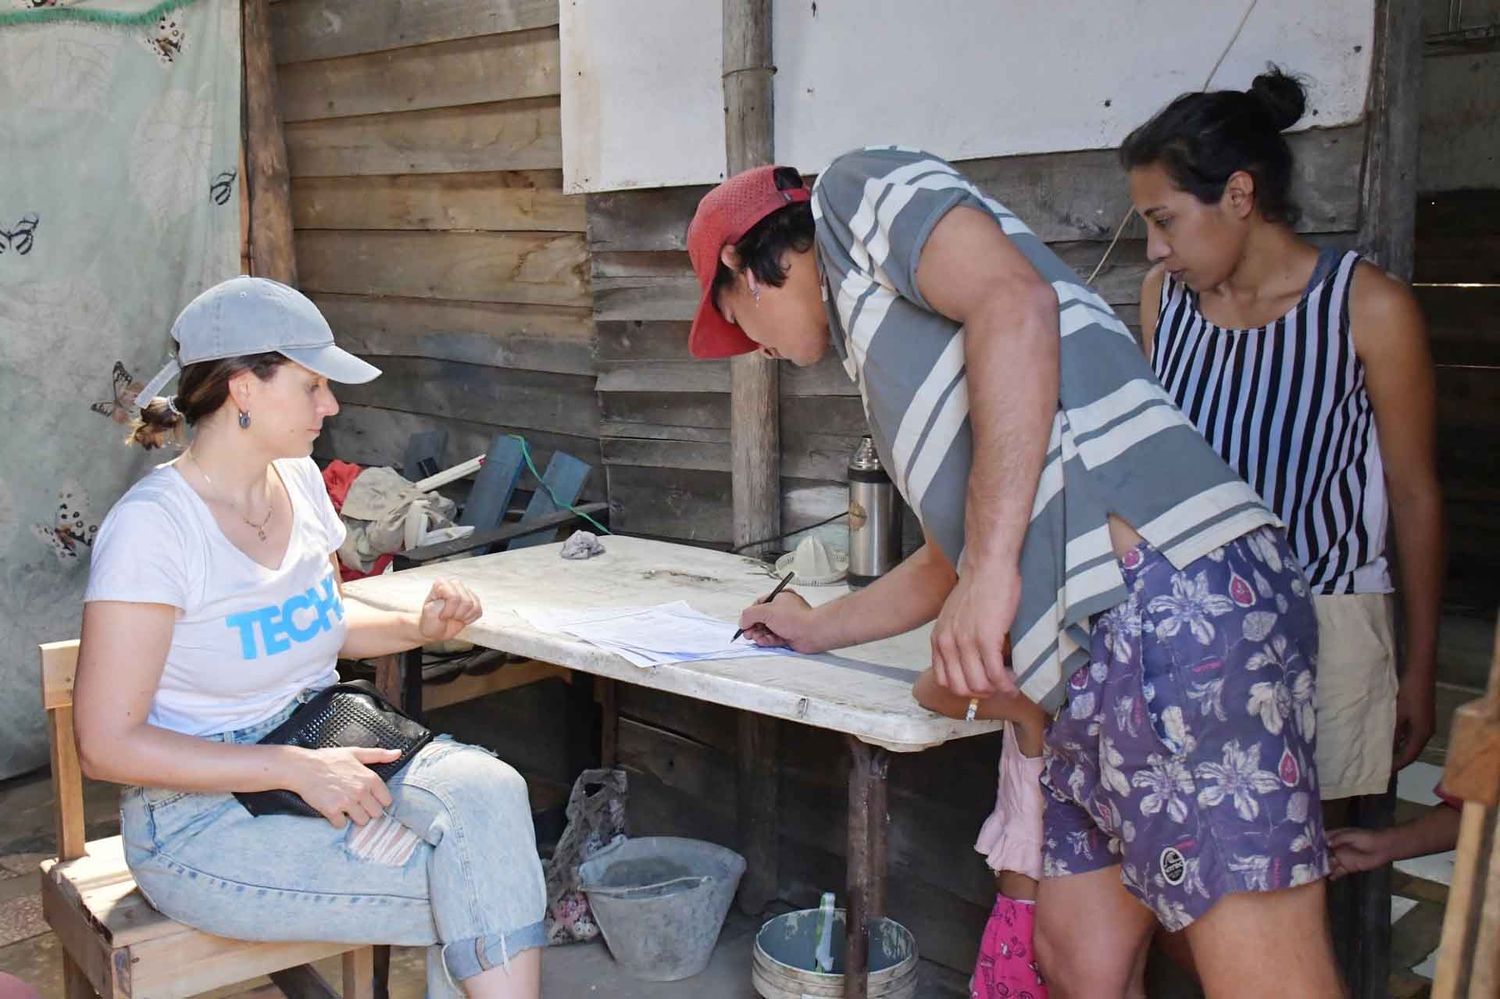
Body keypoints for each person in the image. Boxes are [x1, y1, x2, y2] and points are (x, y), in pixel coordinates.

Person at [688, 153, 1341, 995]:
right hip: (1085, 663)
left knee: (1269, 979)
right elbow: (944, 561)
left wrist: (991, 570)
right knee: (1074, 960)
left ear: (745, 263)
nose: (755, 349)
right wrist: (816, 626)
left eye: (737, 321)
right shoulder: (881, 349)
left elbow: (1014, 300)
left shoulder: (854, 196)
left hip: (1166, 601)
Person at [74, 277, 546, 999]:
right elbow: (105, 744)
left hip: (325, 736)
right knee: (479, 885)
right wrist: (291, 767)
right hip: (197, 814)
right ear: (243, 390)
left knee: (493, 796)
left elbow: (320, 619)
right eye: (313, 384)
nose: (330, 406)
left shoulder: (296, 481)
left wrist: (413, 626)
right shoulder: (153, 528)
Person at [1123, 68, 1444, 804]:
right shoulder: (1163, 305)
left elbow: (1416, 497)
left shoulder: (1367, 308)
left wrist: (1418, 667)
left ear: (1239, 195)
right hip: (1192, 634)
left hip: (1324, 633)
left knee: (1301, 874)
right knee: (1195, 874)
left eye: (1164, 219)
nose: (1153, 249)